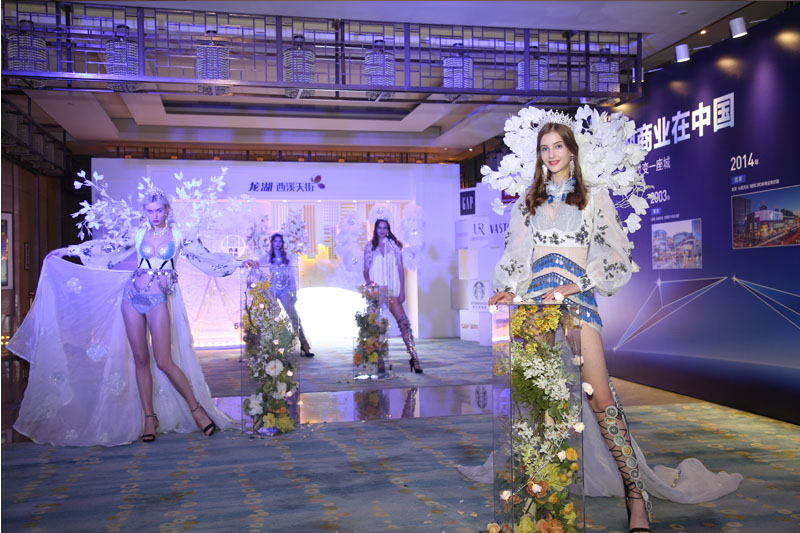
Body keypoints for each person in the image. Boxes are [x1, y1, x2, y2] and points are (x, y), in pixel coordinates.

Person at [485, 122, 741, 532]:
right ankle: (539, 494)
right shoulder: (527, 201)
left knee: (601, 400)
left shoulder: (594, 196)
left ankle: (636, 497)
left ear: (572, 150)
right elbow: (516, 255)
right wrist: (509, 290)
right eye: (545, 148)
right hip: (536, 306)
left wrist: (575, 285)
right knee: (538, 403)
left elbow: (617, 255)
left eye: (558, 146)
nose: (551, 154)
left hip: (578, 302)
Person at [8, 187, 250, 446]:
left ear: (167, 210)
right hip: (132, 297)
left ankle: (197, 410)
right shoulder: (138, 233)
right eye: (150, 211)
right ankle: (149, 419)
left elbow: (204, 257)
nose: (154, 215)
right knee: (140, 359)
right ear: (144, 212)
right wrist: (68, 250)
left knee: (164, 361)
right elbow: (107, 248)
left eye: (159, 210)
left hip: (159, 299)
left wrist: (238, 263)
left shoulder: (179, 235)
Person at [363, 219, 422, 373]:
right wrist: (369, 282)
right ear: (375, 229)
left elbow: (401, 269)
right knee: (376, 326)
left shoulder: (394, 246)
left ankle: (414, 358)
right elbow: (365, 269)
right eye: (379, 228)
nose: (382, 231)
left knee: (404, 324)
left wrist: (403, 291)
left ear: (388, 229)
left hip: (391, 291)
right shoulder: (370, 247)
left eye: (385, 228)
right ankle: (379, 359)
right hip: (377, 291)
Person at [254, 233, 314, 357]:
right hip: (271, 290)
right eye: (275, 241)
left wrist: (294, 292)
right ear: (272, 243)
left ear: (282, 243)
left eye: (280, 241)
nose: (278, 244)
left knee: (294, 316)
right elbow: (257, 267)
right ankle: (272, 346)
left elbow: (292, 276)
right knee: (272, 317)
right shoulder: (266, 257)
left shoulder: (288, 258)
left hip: (284, 290)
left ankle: (304, 345)